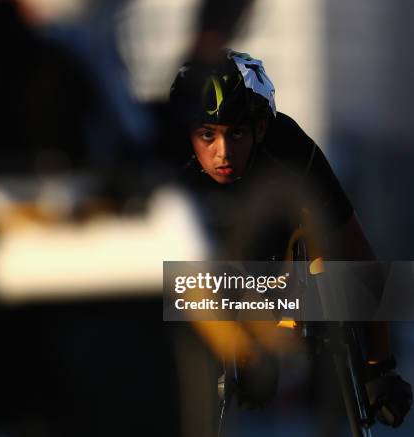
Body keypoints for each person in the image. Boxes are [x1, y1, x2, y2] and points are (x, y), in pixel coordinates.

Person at [169, 49, 412, 428]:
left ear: (261, 129)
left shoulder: (289, 147)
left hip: (281, 265)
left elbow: (355, 251)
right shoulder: (167, 157)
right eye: (207, 135)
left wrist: (379, 366)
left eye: (235, 133)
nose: (223, 153)